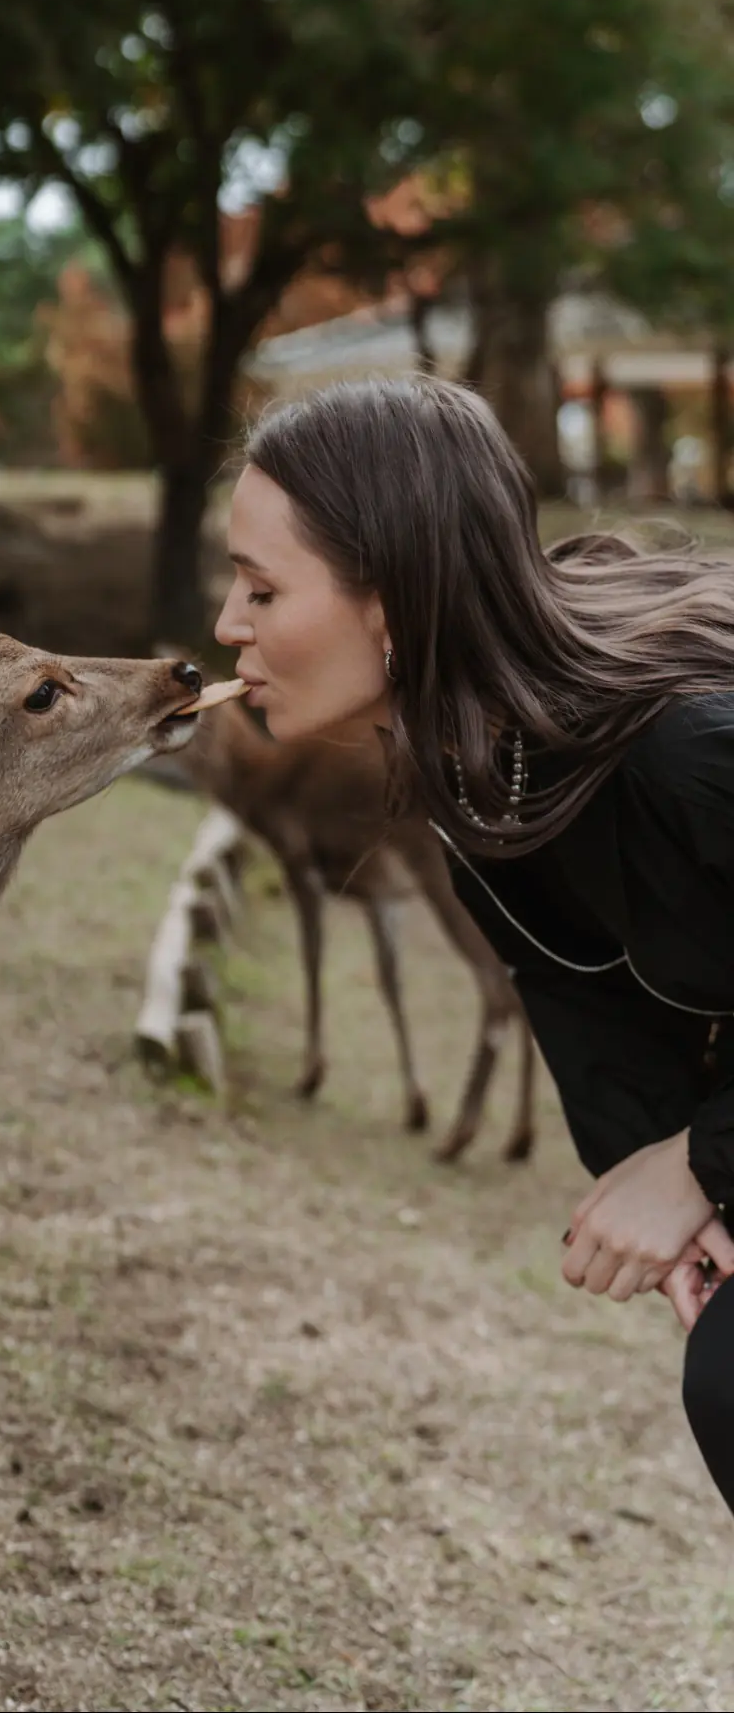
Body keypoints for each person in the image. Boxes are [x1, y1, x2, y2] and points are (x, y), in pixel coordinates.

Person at [214, 376, 734, 1515]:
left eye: (260, 588)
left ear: (393, 605)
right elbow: (581, 995)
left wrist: (703, 1161)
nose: (227, 627)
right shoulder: (476, 781)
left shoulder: (691, 748)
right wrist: (675, 1183)